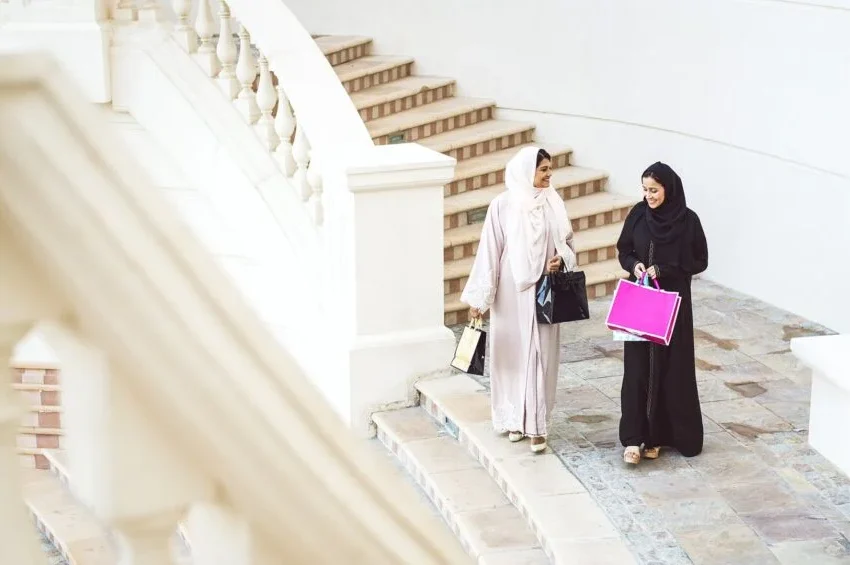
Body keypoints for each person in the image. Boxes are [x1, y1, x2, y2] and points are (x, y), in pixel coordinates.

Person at [460, 146, 577, 453]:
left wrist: (560, 259)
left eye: (550, 169)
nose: (549, 174)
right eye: (543, 170)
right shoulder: (503, 205)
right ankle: (514, 419)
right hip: (511, 291)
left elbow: (568, 244)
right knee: (511, 357)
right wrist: (480, 299)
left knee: (540, 356)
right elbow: (490, 250)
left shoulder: (554, 203)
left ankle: (537, 426)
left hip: (544, 289)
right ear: (527, 172)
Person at [616, 162, 709, 464]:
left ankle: (656, 437)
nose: (648, 196)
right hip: (642, 302)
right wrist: (634, 265)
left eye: (653, 190)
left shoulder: (688, 221)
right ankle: (633, 439)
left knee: (670, 369)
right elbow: (624, 250)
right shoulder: (638, 215)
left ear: (668, 188)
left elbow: (699, 260)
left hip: (673, 304)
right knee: (637, 369)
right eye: (644, 190)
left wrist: (666, 269)